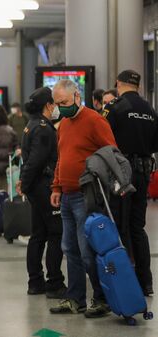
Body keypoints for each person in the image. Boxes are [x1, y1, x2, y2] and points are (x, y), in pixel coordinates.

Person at [49, 79, 116, 317]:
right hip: (66, 195)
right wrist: (56, 187)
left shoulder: (95, 121)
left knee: (88, 250)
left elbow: (111, 154)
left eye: (64, 102)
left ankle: (101, 298)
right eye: (57, 103)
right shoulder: (64, 125)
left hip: (87, 195)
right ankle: (75, 298)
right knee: (70, 248)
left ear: (77, 96)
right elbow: (61, 158)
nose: (61, 107)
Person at [104, 70, 158, 296]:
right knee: (138, 226)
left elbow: (102, 137)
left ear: (118, 83)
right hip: (144, 172)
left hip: (121, 173)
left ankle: (125, 282)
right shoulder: (150, 110)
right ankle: (145, 281)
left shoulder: (115, 107)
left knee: (120, 225)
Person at [18, 87, 66, 298]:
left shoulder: (31, 125)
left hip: (35, 188)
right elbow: (36, 161)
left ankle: (35, 281)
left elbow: (27, 161)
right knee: (56, 233)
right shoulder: (45, 129)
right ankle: (55, 282)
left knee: (38, 235)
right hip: (44, 187)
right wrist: (26, 184)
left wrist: (24, 183)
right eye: (55, 103)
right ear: (48, 105)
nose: (56, 107)